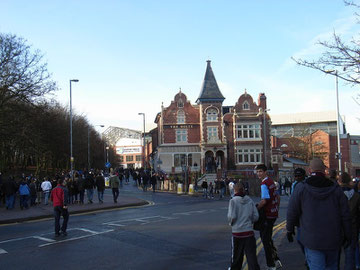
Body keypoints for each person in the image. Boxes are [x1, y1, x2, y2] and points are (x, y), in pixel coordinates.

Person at [286, 158, 351, 270]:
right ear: (324, 170)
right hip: (333, 238)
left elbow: (292, 211)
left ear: (310, 170)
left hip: (312, 239)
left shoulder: (301, 188)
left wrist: (289, 229)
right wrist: (348, 234)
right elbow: (345, 215)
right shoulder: (336, 189)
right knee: (332, 266)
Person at [227, 181, 260, 270]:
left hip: (237, 233)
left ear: (235, 190)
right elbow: (256, 216)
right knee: (252, 257)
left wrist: (231, 224)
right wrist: (249, 221)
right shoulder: (249, 200)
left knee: (236, 258)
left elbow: (231, 217)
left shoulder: (233, 201)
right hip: (249, 232)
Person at [255, 164, 281, 270]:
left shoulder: (264, 184)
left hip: (267, 215)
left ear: (265, 172)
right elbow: (277, 197)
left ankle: (271, 265)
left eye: (261, 171)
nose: (259, 173)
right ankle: (276, 260)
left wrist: (256, 208)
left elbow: (264, 200)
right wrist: (276, 209)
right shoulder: (271, 182)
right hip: (273, 213)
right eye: (258, 171)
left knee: (265, 240)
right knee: (269, 239)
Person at [338, 172, 360, 270]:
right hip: (352, 228)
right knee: (350, 257)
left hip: (336, 229)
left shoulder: (334, 194)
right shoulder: (356, 196)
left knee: (334, 259)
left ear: (340, 181)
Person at [291, 168, 308, 269]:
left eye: (299, 176)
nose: (297, 178)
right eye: (296, 176)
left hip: (307, 216)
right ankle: (307, 255)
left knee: (306, 239)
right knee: (300, 240)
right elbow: (293, 203)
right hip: (299, 216)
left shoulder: (307, 185)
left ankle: (309, 257)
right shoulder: (295, 185)